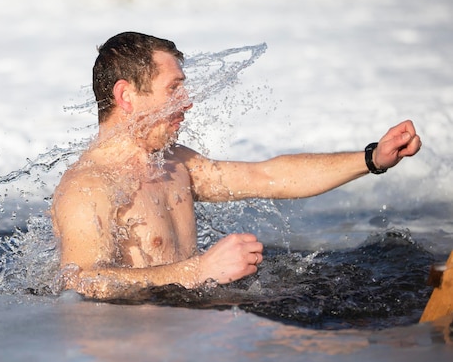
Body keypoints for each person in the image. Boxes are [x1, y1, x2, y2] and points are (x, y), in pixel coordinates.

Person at [51, 31, 422, 299]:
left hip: (185, 327)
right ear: (126, 96)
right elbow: (82, 281)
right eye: (174, 89)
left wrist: (372, 158)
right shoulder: (89, 186)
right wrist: (200, 270)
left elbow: (269, 176)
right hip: (137, 350)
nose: (187, 102)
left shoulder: (174, 164)